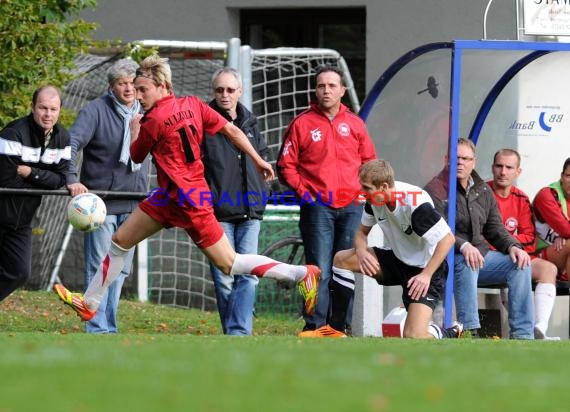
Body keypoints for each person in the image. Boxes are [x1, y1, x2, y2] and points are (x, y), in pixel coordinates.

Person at [53, 54, 319, 323]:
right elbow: (233, 131)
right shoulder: (193, 104)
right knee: (120, 241)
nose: (137, 95)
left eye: (143, 90)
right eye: (135, 89)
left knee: (230, 263)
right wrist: (259, 159)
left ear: (163, 87)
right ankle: (90, 302)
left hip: (191, 202)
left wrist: (134, 131)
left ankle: (300, 274)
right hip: (170, 197)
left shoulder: (151, 122)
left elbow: (135, 157)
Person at [300, 159, 462, 339]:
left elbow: (447, 239)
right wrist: (361, 252)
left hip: (424, 270)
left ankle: (446, 332)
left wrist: (426, 275)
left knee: (413, 335)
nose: (362, 193)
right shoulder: (373, 201)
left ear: (384, 187)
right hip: (397, 260)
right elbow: (361, 234)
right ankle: (336, 330)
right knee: (341, 259)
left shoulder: (415, 204)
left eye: (366, 188)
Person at [277, 65, 376, 333]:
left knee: (344, 267)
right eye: (321, 85)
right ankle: (314, 326)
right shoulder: (302, 123)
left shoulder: (356, 124)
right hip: (317, 207)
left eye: (332, 85)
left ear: (343, 90)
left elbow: (370, 163)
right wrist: (306, 194)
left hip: (352, 208)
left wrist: (362, 193)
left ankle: (340, 327)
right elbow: (286, 165)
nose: (326, 90)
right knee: (317, 269)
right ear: (315, 90)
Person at [65, 59, 149, 334]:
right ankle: (98, 328)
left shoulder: (147, 112)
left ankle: (108, 327)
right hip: (100, 205)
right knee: (100, 267)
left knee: (120, 270)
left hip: (135, 203)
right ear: (111, 87)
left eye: (131, 83)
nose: (128, 89)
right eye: (121, 84)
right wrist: (72, 179)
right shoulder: (95, 111)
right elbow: (72, 142)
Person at [202, 67, 267, 335]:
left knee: (248, 275)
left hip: (251, 212)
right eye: (219, 90)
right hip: (218, 213)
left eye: (230, 90)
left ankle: (238, 332)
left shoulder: (251, 121)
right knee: (224, 277)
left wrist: (264, 191)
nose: (225, 95)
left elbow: (262, 156)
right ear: (213, 92)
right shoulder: (203, 123)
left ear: (239, 91)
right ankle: (236, 332)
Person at [453, 138, 534, 339]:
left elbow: (495, 228)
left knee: (520, 263)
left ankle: (523, 336)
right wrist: (463, 245)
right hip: (448, 258)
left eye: (465, 158)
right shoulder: (438, 189)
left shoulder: (482, 190)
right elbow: (437, 230)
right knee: (467, 260)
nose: (460, 162)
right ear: (447, 160)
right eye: (456, 158)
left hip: (480, 257)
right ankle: (470, 331)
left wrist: (513, 246)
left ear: (474, 162)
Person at [0, 86, 70, 301]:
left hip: (21, 222)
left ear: (59, 111)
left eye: (53, 109)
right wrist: (44, 179)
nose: (48, 114)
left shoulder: (63, 138)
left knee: (20, 272)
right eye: (43, 108)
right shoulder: (13, 133)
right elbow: (6, 180)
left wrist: (31, 172)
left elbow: (61, 179)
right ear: (32, 107)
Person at [487, 149, 559, 340]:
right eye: (499, 166)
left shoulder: (521, 198)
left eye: (509, 167)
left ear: (518, 172)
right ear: (492, 168)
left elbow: (530, 238)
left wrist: (509, 244)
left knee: (548, 269)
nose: (503, 172)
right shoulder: (482, 194)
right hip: (488, 257)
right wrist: (504, 246)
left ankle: (539, 329)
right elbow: (475, 236)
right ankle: (522, 330)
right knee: (515, 265)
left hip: (515, 254)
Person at [533, 157, 570, 282]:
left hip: (562, 255)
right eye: (568, 176)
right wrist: (565, 235)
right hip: (535, 256)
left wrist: (565, 236)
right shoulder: (547, 195)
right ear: (562, 176)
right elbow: (566, 229)